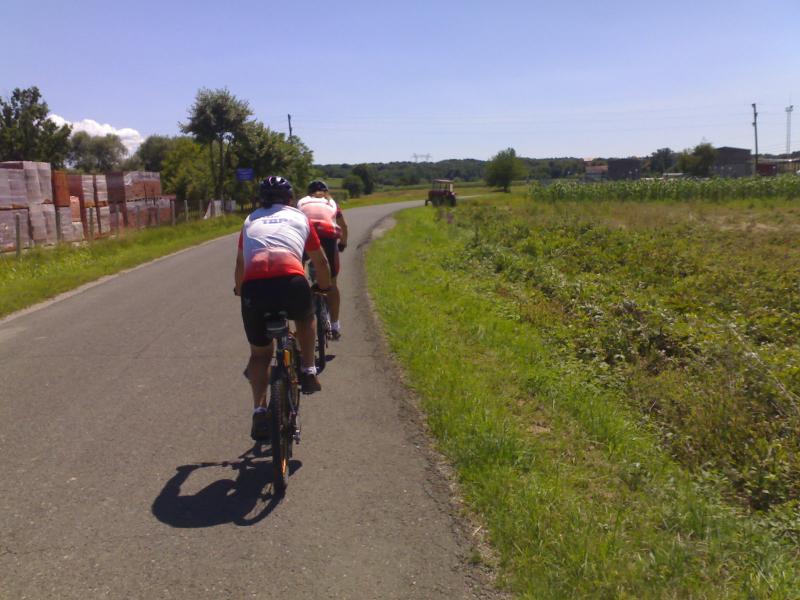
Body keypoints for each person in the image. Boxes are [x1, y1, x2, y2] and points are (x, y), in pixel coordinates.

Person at [234, 176, 332, 441]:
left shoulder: (250, 220)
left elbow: (241, 264)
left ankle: (259, 410)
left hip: (255, 287)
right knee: (306, 319)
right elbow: (320, 262)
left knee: (259, 356)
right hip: (291, 281)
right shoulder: (299, 218)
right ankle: (309, 371)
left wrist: (240, 290)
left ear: (261, 199)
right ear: (290, 199)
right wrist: (324, 286)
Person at [296, 180, 348, 339]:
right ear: (326, 192)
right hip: (328, 236)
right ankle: (335, 326)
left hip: (305, 235)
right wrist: (342, 244)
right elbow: (344, 226)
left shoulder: (302, 202)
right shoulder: (331, 202)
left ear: (309, 193)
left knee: (298, 274)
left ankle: (303, 294)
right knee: (332, 283)